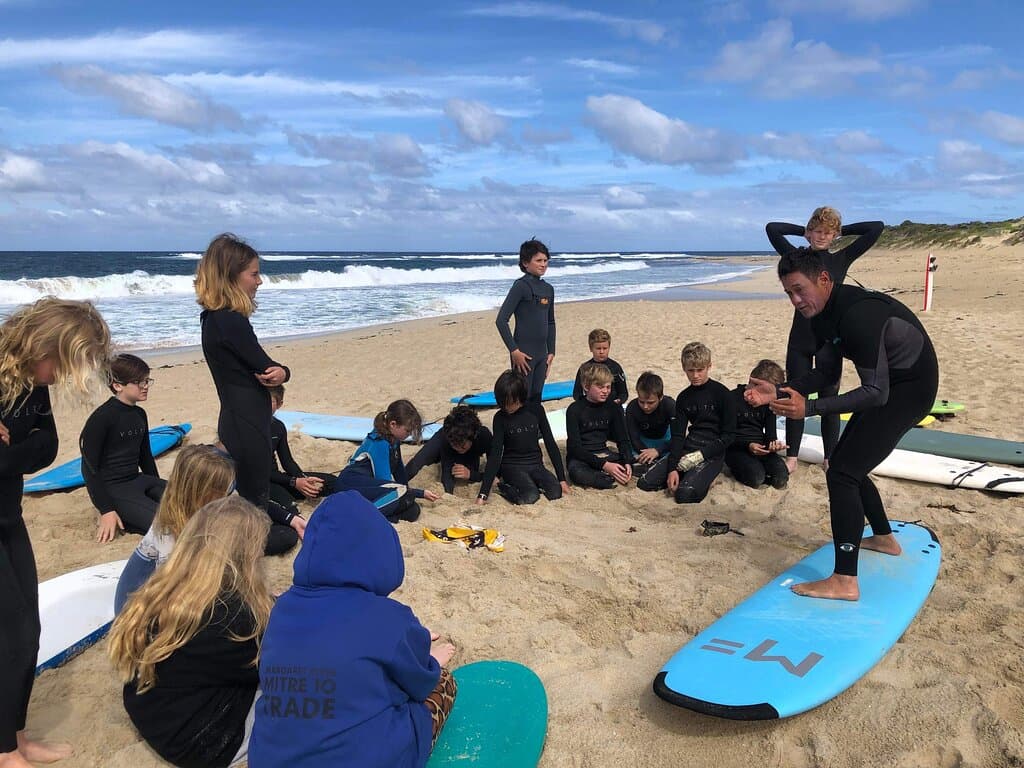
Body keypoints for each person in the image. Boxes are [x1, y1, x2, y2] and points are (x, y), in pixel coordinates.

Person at [746, 248, 938, 601]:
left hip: (911, 389)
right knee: (847, 463)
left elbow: (876, 393)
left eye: (799, 289)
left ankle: (845, 581)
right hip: (889, 385)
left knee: (843, 473)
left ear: (824, 279)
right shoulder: (820, 313)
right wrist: (782, 389)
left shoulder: (857, 315)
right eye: (788, 292)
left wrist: (811, 409)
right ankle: (883, 538)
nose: (795, 300)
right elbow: (827, 372)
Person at [249, 490, 457, 768]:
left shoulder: (281, 609)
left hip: (270, 759)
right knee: (443, 682)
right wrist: (431, 661)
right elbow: (419, 684)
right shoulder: (390, 617)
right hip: (360, 758)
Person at [1, 297, 111, 768]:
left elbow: (47, 449)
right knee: (12, 634)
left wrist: (8, 452)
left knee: (29, 631)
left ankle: (16, 737)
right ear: (45, 344)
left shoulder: (29, 381)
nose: (63, 375)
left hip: (8, 514)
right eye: (64, 363)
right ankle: (5, 751)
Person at [109, 496, 272, 768]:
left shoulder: (165, 588)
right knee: (311, 689)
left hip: (151, 714)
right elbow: (274, 664)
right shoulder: (231, 618)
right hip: (200, 740)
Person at [195, 232, 303, 556]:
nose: (259, 281)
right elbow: (264, 365)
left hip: (238, 419)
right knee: (260, 513)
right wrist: (284, 372)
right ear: (231, 276)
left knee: (251, 499)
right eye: (254, 274)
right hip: (247, 423)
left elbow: (254, 367)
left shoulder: (213, 319)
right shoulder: (230, 322)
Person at [766, 209, 883, 473]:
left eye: (827, 233)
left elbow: (876, 227)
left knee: (830, 398)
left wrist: (840, 230)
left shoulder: (842, 257)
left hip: (829, 340)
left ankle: (830, 456)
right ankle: (793, 455)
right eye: (817, 231)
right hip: (800, 339)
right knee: (795, 394)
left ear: (834, 235)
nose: (821, 237)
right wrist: (805, 230)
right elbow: (772, 228)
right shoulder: (796, 258)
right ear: (810, 232)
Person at [113, 444, 235, 614]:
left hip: (162, 602)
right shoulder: (168, 535)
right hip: (139, 613)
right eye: (221, 493)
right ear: (199, 493)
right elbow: (175, 595)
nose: (225, 500)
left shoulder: (194, 518)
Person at [80, 353, 167, 543]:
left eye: (147, 380)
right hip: (114, 489)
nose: (145, 386)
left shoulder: (139, 414)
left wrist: (158, 489)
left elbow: (145, 457)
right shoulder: (101, 419)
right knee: (164, 527)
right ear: (118, 385)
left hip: (137, 480)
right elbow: (88, 469)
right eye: (139, 382)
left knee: (190, 504)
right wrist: (106, 510)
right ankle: (126, 518)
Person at [335, 399, 440, 523]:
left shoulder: (393, 440)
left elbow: (399, 471)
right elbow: (386, 482)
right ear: (393, 424)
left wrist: (407, 493)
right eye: (407, 430)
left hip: (367, 487)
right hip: (350, 486)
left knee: (412, 510)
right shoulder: (380, 443)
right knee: (400, 494)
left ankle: (382, 517)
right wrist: (419, 493)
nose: (410, 434)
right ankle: (362, 518)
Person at [477, 370, 569, 505]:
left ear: (520, 397)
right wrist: (483, 494)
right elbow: (496, 453)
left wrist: (562, 479)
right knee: (530, 497)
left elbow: (550, 443)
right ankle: (502, 487)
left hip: (536, 464)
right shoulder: (500, 418)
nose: (506, 407)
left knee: (555, 492)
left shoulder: (536, 410)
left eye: (510, 403)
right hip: (512, 466)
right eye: (503, 403)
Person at [663, 342, 736, 504]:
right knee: (647, 483)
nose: (695, 375)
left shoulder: (723, 394)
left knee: (684, 495)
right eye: (691, 371)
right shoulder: (683, 397)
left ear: (709, 367)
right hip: (691, 443)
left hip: (713, 450)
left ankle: (709, 480)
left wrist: (700, 456)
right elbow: (678, 434)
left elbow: (729, 436)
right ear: (684, 368)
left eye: (700, 370)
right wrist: (672, 468)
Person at [495, 238, 556, 403]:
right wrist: (514, 351)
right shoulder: (520, 286)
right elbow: (501, 320)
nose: (543, 264)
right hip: (523, 355)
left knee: (536, 397)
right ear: (525, 263)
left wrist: (552, 351)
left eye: (545, 260)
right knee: (522, 398)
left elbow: (551, 322)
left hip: (542, 354)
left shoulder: (548, 289)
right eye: (538, 260)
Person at [565, 363, 634, 489]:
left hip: (604, 452)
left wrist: (627, 461)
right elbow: (575, 448)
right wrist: (604, 465)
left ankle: (608, 474)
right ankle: (604, 475)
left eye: (608, 387)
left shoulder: (613, 407)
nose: (605, 391)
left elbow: (623, 439)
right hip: (582, 457)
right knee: (578, 474)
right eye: (600, 387)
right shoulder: (574, 410)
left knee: (633, 464)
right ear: (586, 386)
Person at [268, 385, 334, 514]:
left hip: (279, 478)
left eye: (269, 401)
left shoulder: (278, 426)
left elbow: (287, 462)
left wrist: (303, 479)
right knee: (290, 508)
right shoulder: (251, 428)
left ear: (280, 404)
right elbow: (258, 470)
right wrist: (293, 481)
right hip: (259, 482)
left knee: (332, 482)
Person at [726, 360, 789, 490]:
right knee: (756, 478)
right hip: (736, 447)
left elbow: (770, 434)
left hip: (760, 447)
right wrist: (748, 445)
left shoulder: (768, 402)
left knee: (781, 477)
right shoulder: (731, 399)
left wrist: (773, 444)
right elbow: (726, 435)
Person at [404, 405, 492, 494]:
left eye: (462, 446)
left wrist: (471, 474)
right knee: (416, 465)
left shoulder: (484, 436)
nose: (458, 448)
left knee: (471, 474)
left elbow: (495, 470)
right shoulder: (447, 438)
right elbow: (447, 473)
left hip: (471, 452)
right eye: (455, 445)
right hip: (445, 441)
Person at [626, 372, 677, 492]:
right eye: (641, 401)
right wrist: (647, 455)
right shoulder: (632, 408)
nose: (645, 406)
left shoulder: (670, 405)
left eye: (650, 402)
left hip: (665, 439)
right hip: (642, 441)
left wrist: (658, 451)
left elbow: (678, 437)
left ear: (660, 397)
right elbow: (634, 438)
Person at [572, 329, 628, 404]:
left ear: (609, 347)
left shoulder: (616, 367)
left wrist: (618, 401)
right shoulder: (585, 369)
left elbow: (623, 393)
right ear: (591, 348)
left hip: (611, 407)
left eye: (605, 348)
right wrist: (584, 404)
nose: (601, 352)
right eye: (598, 348)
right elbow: (577, 393)